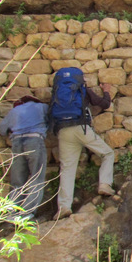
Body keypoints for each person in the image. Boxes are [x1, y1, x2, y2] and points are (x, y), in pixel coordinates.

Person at [53, 82, 115, 220]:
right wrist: (106, 91)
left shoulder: (58, 93)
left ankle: (64, 206)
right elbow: (104, 104)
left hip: (63, 130)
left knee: (67, 169)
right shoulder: (83, 90)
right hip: (81, 128)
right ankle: (104, 184)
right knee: (107, 153)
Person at [0, 95, 49, 221]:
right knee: (36, 177)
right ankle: (26, 213)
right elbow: (51, 119)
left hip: (17, 142)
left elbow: (2, 129)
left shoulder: (14, 111)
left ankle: (11, 211)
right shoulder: (42, 107)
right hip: (34, 140)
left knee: (17, 179)